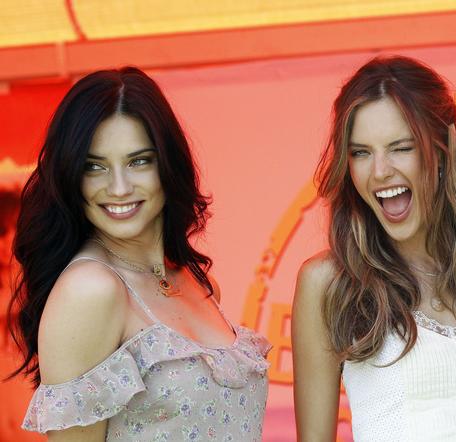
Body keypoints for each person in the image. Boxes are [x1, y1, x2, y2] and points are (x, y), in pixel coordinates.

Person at [9, 67, 271, 441]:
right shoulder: (89, 291)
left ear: (168, 164)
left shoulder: (198, 283)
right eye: (94, 167)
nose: (118, 187)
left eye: (138, 161)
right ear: (71, 176)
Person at [292, 55, 456, 441]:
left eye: (400, 147)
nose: (380, 171)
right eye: (361, 152)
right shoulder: (328, 283)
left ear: (443, 149)